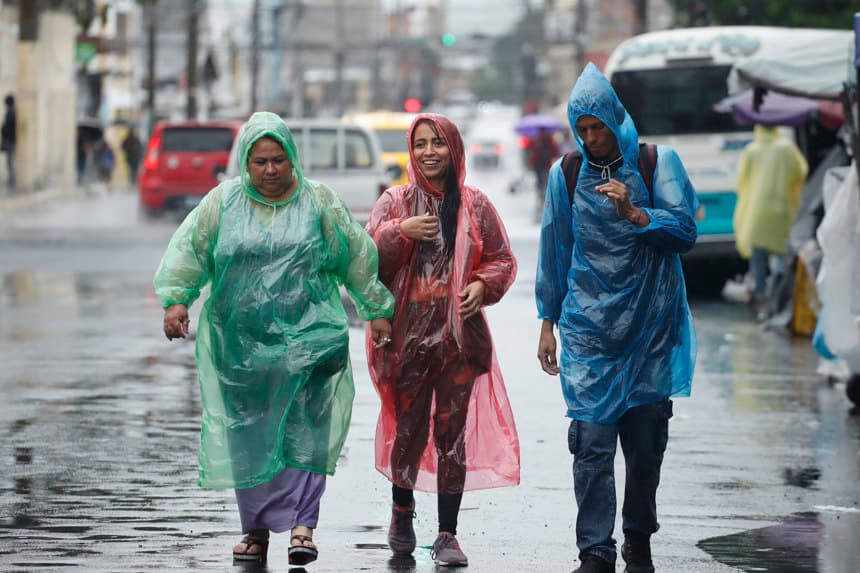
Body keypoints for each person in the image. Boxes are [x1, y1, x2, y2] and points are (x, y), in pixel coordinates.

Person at [153, 111, 394, 565]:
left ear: (292, 160)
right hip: (241, 348)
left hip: (312, 342)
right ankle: (257, 530)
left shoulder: (319, 201)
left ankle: (303, 527)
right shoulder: (221, 203)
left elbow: (357, 256)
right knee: (251, 435)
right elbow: (189, 253)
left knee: (307, 431)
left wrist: (376, 308)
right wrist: (177, 300)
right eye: (260, 161)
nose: (269, 170)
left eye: (278, 161)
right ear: (245, 161)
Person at [535, 63, 699, 573]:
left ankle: (638, 538)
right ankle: (595, 549)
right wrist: (547, 320)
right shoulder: (565, 174)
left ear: (615, 120)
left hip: (651, 329)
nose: (591, 138)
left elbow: (686, 233)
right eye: (581, 129)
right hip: (587, 330)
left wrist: (636, 214)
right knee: (591, 445)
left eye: (598, 127)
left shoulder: (657, 163)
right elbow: (556, 249)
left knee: (646, 447)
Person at [365, 113, 520, 567]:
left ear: (454, 149)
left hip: (459, 341)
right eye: (420, 144)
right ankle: (402, 509)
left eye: (438, 143)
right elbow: (364, 260)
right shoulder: (395, 201)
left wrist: (481, 286)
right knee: (408, 429)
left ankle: (448, 534)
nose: (428, 152)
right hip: (404, 339)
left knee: (452, 434)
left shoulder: (475, 204)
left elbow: (502, 259)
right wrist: (400, 232)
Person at [733, 124, 808, 314]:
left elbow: (741, 181)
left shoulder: (751, 151)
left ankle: (760, 297)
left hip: (757, 211)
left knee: (758, 257)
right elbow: (802, 171)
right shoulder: (786, 148)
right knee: (781, 253)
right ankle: (779, 294)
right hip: (781, 209)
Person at [530, 126, 559, 195]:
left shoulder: (550, 141)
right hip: (538, 165)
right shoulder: (537, 141)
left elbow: (555, 152)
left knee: (545, 180)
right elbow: (533, 152)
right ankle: (541, 194)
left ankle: (545, 194)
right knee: (540, 180)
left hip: (546, 164)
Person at [1, 94, 15, 188]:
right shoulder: (11, 111)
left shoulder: (10, 112)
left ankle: (12, 179)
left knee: (10, 160)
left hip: (9, 140)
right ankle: (11, 178)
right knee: (10, 160)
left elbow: (8, 127)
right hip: (9, 140)